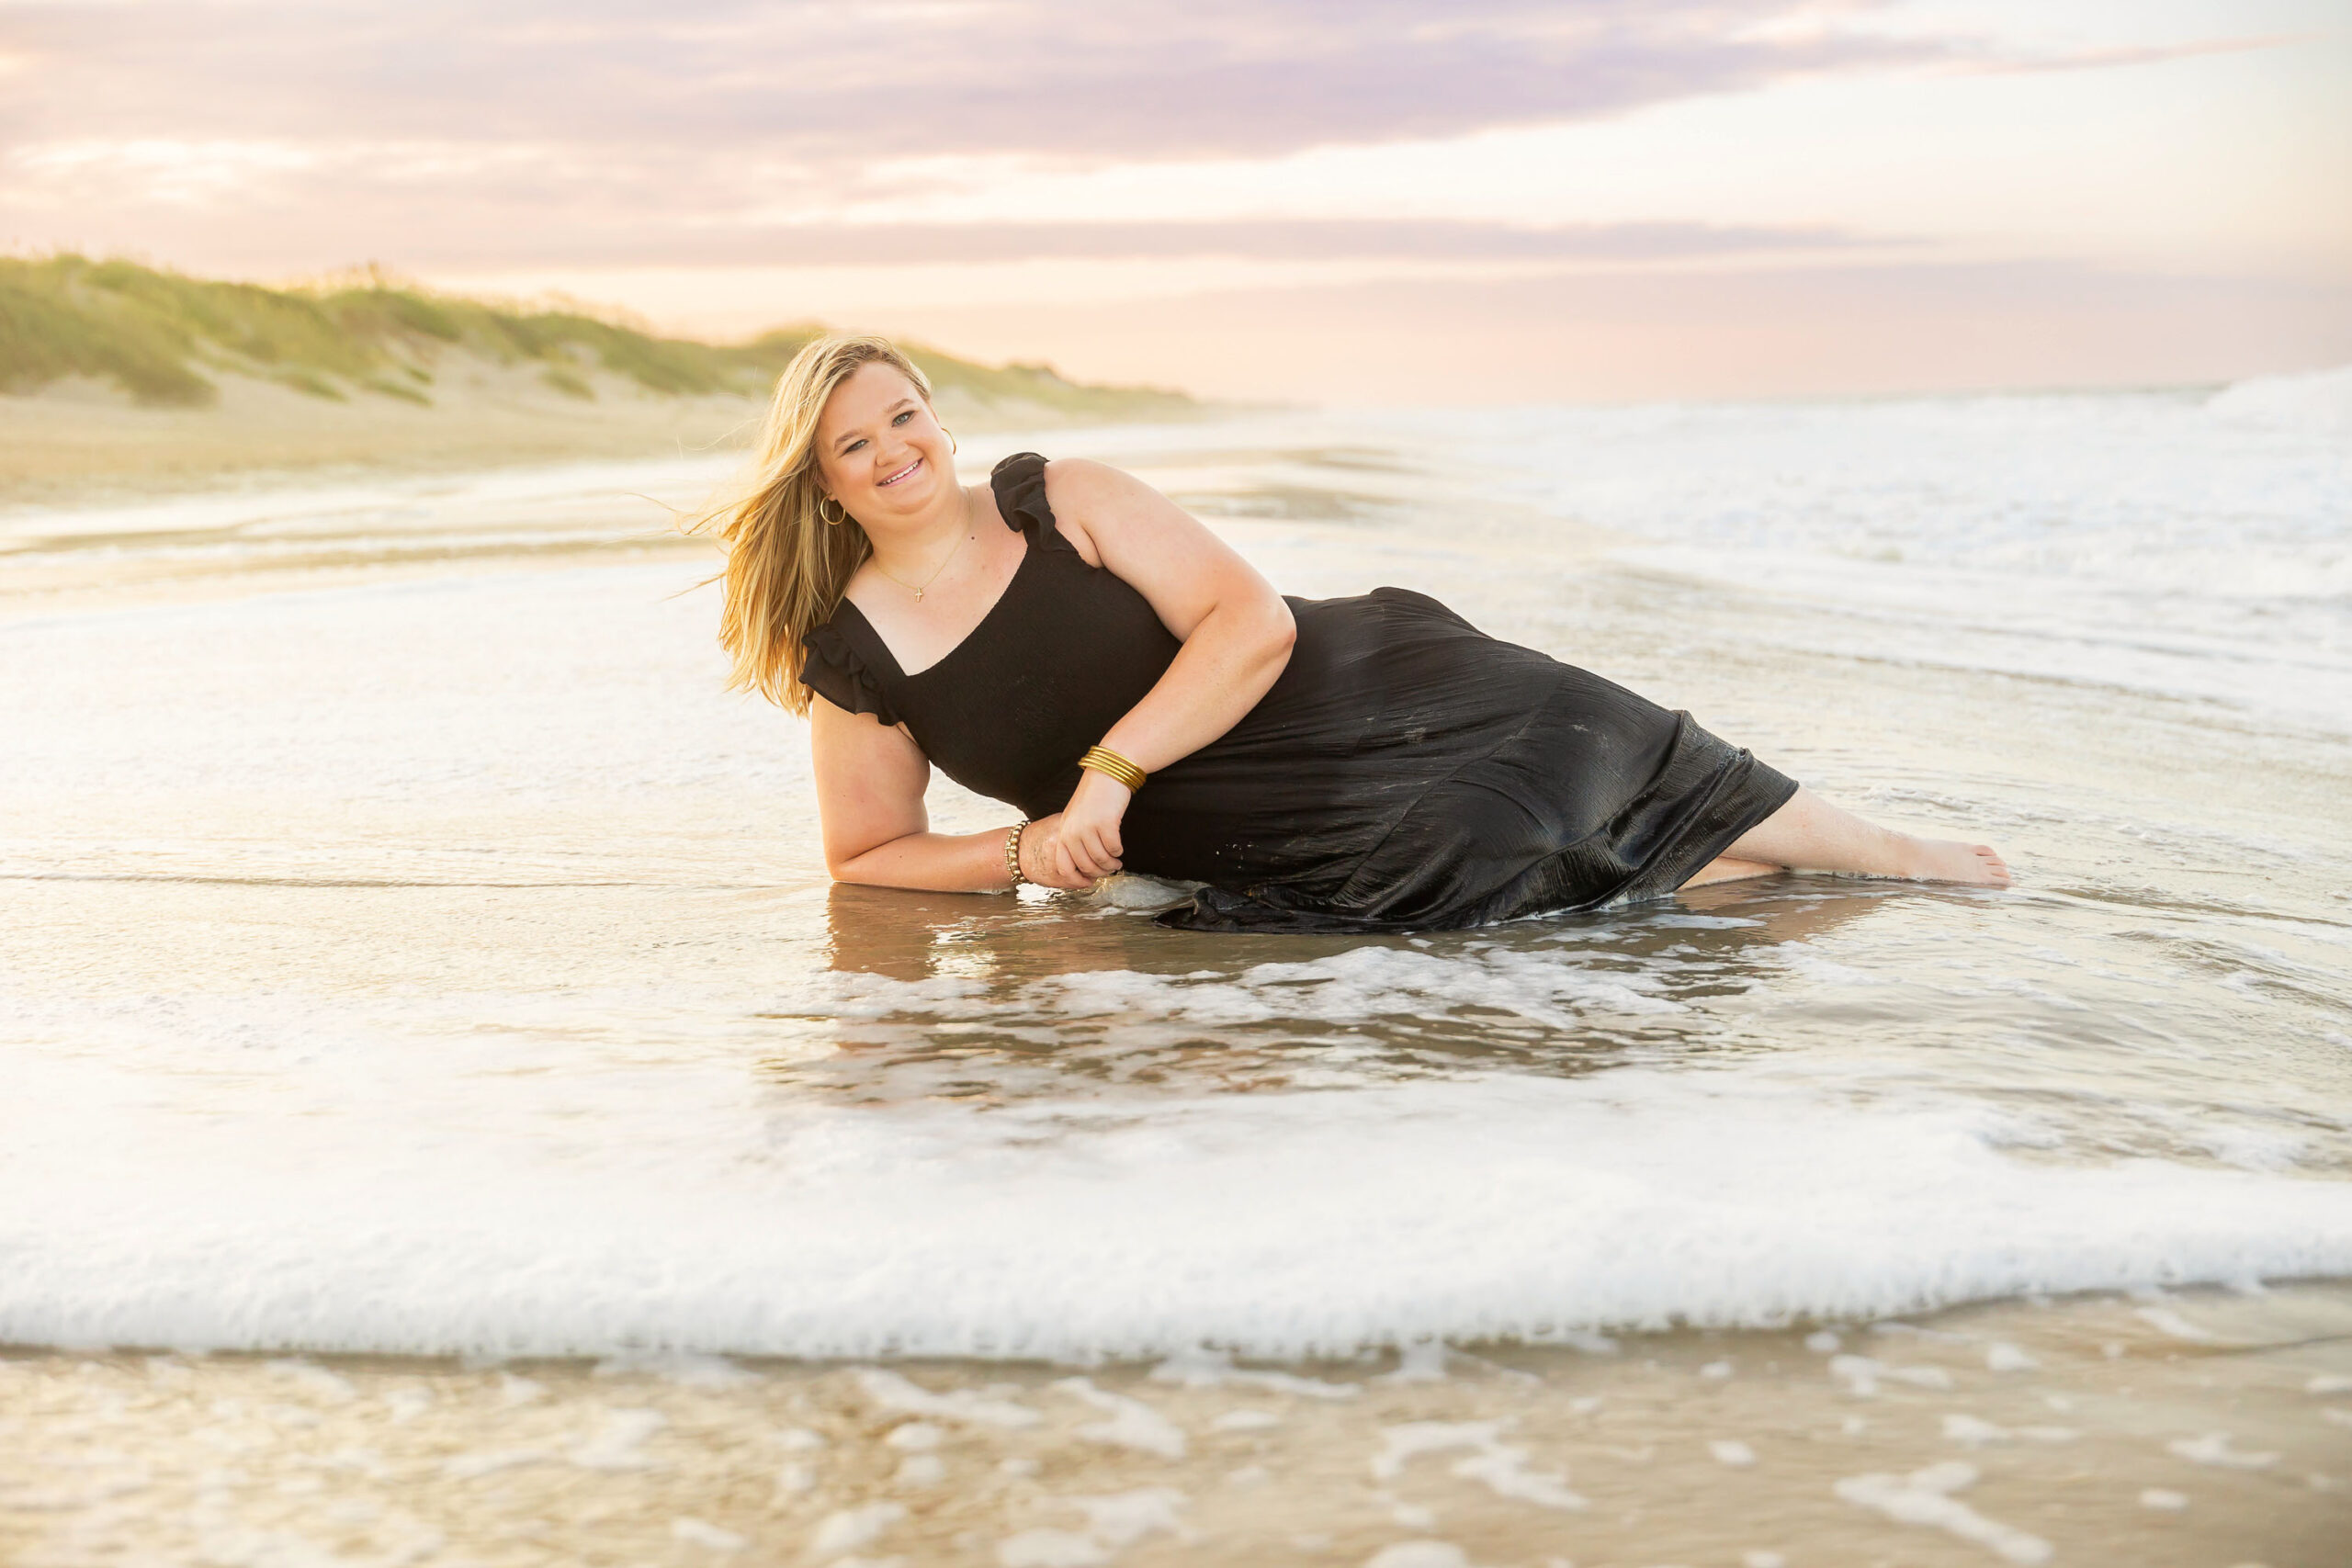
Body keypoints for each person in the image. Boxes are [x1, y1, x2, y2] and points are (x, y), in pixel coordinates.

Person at [693, 335, 2009, 933]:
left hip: (1332, 678)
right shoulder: (852, 655)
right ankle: (1780, 885)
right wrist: (1027, 851)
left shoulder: (1061, 500)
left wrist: (1107, 774)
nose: (892, 453)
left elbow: (1246, 622)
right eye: (854, 446)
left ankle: (1897, 855)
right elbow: (866, 859)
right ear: (822, 482)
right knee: (1486, 859)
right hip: (1220, 816)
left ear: (940, 415)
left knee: (1583, 731)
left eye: (903, 418)